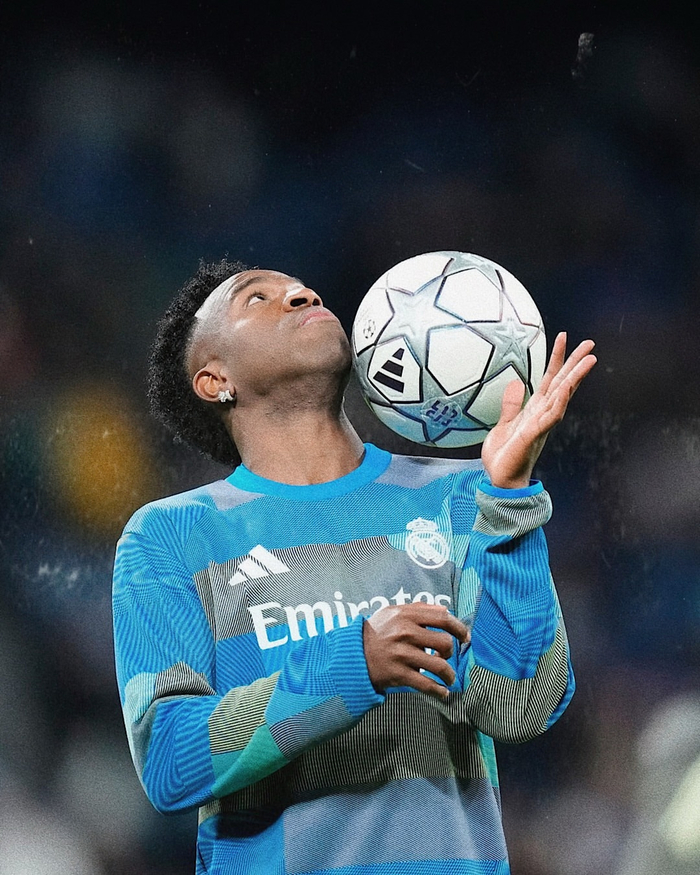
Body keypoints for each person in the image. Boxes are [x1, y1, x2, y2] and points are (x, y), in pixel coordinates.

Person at [112, 257, 597, 875]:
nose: (300, 294)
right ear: (214, 380)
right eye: (255, 298)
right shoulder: (173, 535)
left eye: (300, 287)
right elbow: (170, 761)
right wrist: (353, 664)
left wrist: (508, 499)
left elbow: (525, 705)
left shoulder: (459, 497)